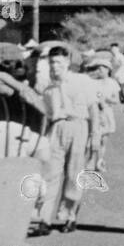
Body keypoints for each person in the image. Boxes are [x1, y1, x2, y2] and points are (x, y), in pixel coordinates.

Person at [33, 45, 102, 234]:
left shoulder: (82, 81)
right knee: (49, 174)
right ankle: (44, 219)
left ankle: (69, 216)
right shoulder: (47, 88)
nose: (55, 66)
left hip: (79, 126)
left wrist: (95, 136)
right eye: (52, 62)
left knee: (75, 175)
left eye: (58, 62)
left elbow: (93, 109)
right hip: (56, 128)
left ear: (67, 63)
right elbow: (45, 116)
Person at [83, 56, 120, 172]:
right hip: (95, 112)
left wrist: (107, 99)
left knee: (104, 140)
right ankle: (90, 160)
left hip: (107, 112)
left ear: (108, 70)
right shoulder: (94, 82)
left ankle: (100, 161)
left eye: (102, 69)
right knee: (93, 137)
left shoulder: (112, 83)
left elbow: (116, 100)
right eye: (98, 69)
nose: (100, 71)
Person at [108, 42, 124, 110]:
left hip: (121, 77)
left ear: (116, 49)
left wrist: (114, 65)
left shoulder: (121, 56)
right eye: (111, 49)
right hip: (113, 76)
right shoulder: (112, 57)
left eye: (113, 49)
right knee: (111, 91)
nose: (112, 50)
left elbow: (121, 64)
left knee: (123, 92)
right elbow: (110, 65)